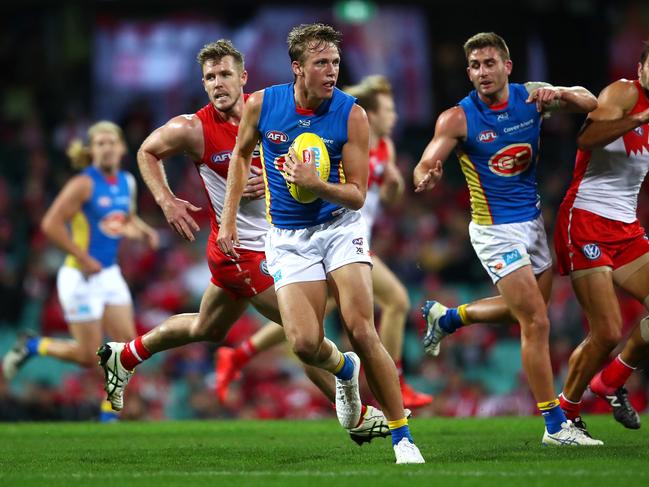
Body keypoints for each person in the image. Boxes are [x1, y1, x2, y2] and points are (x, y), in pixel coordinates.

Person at [95, 39, 392, 445]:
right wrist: (166, 202)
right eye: (210, 77)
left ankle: (125, 355)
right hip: (241, 251)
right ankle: (355, 414)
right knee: (302, 333)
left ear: (243, 77)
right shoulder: (193, 128)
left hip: (280, 240)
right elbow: (147, 151)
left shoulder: (268, 110)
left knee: (207, 326)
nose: (218, 84)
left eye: (225, 75)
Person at [217, 23, 424, 464]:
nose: (331, 71)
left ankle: (402, 435)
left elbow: (357, 194)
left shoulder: (352, 114)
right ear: (297, 68)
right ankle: (344, 370)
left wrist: (317, 183)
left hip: (339, 228)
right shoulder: (261, 105)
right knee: (305, 343)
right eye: (321, 63)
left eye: (335, 62)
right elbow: (239, 155)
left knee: (362, 328)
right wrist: (227, 220)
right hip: (289, 238)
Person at [413, 32, 601, 446]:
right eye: (476, 66)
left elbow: (592, 104)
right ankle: (555, 426)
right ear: (469, 72)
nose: (483, 72)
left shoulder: (531, 97)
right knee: (536, 320)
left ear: (507, 66)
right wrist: (427, 172)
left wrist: (563, 93)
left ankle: (448, 317)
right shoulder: (457, 118)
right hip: (494, 231)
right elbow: (427, 159)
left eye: (490, 63)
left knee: (526, 311)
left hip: (532, 224)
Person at [1, 121, 159, 421]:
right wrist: (82, 256)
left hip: (109, 274)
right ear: (91, 150)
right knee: (88, 356)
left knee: (128, 348)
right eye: (99, 143)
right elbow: (50, 223)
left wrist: (144, 231)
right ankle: (33, 345)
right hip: (80, 276)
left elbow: (124, 219)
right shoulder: (83, 184)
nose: (107, 147)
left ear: (122, 148)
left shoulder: (127, 181)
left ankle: (109, 410)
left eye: (111, 142)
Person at [554, 41, 649, 433]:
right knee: (607, 330)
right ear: (641, 66)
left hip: (626, 227)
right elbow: (587, 138)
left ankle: (610, 381)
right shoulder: (624, 93)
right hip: (586, 217)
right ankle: (567, 413)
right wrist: (640, 117)